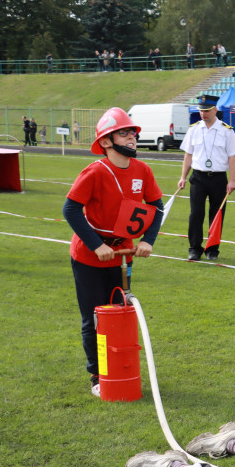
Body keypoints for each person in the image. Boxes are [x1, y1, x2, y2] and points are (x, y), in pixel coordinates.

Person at [62, 108, 163, 396]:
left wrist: (147, 240)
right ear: (106, 141)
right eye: (124, 132)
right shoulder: (95, 171)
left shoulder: (143, 170)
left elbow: (157, 206)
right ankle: (97, 376)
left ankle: (119, 367)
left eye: (133, 132)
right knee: (94, 317)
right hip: (89, 257)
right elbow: (70, 209)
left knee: (120, 312)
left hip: (122, 256)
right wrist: (97, 245)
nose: (132, 137)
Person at [176, 94, 235, 261]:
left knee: (217, 214)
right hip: (198, 177)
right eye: (201, 110)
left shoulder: (226, 131)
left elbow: (232, 157)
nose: (203, 114)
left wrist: (232, 180)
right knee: (196, 213)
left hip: (219, 178)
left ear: (215, 110)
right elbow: (188, 155)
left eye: (206, 110)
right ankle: (194, 248)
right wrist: (183, 177)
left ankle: (212, 249)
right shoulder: (194, 129)